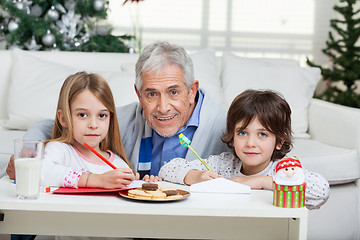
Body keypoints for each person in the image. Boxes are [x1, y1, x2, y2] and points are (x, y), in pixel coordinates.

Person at [6, 41, 229, 181]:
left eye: (173, 92)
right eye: (151, 94)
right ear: (138, 93)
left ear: (192, 91)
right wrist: (29, 154)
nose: (162, 108)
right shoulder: (118, 121)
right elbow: (46, 126)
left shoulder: (226, 129)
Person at [158, 89, 330, 209]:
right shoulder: (223, 164)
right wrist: (197, 176)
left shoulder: (285, 170)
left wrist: (261, 181)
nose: (250, 143)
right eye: (242, 133)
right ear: (232, 136)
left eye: (262, 134)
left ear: (279, 141)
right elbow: (168, 169)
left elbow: (321, 191)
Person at [41, 71, 135, 188]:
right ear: (64, 119)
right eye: (82, 115)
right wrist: (98, 180)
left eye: (102, 116)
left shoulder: (119, 165)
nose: (93, 125)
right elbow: (40, 172)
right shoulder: (59, 151)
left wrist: (147, 183)